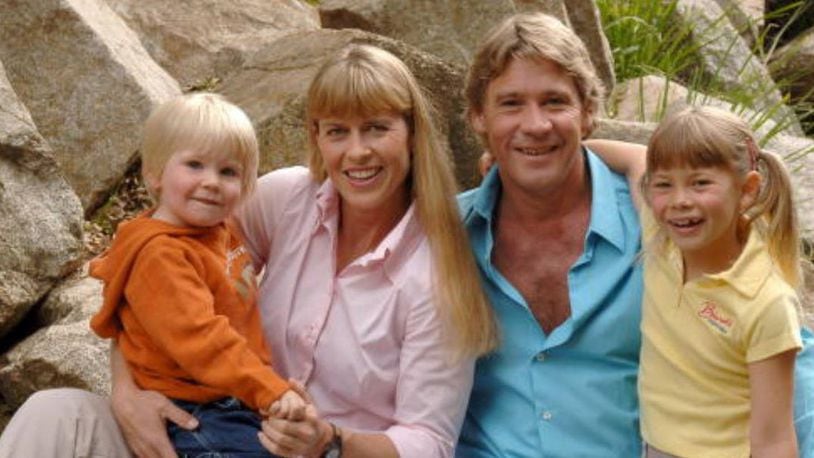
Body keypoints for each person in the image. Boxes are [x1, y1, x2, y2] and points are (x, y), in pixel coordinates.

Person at [0, 44, 497, 458]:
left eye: (377, 128)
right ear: (316, 138)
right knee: (55, 417)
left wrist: (331, 440)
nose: (357, 152)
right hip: (205, 423)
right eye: (337, 131)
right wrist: (129, 391)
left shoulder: (437, 273)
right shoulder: (286, 198)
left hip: (315, 451)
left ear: (412, 136)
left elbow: (428, 442)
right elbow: (161, 279)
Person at [455, 11, 814, 458]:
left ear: (588, 114)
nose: (536, 124)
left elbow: (775, 347)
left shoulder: (664, 223)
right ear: (477, 117)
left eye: (554, 102)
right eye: (511, 104)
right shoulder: (447, 234)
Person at [87, 92, 307, 456]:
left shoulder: (214, 231)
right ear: (155, 174)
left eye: (228, 171)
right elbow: (203, 340)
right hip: (191, 411)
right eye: (194, 165)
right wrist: (270, 389)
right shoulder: (162, 255)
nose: (212, 182)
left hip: (231, 399)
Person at [594, 105, 803, 457]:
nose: (679, 201)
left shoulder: (765, 301)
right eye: (664, 184)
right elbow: (633, 158)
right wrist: (539, 159)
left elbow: (774, 439)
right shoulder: (660, 238)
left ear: (747, 190)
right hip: (652, 446)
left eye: (700, 183)